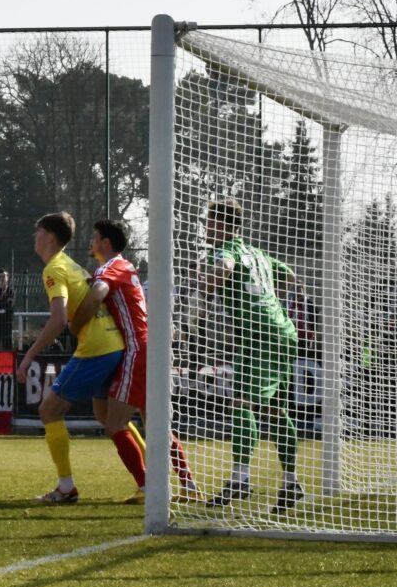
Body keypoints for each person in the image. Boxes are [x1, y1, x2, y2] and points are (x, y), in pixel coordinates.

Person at [69, 220, 202, 504]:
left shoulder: (109, 268)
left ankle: (146, 486)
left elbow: (98, 294)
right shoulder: (127, 266)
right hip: (149, 348)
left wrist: (77, 322)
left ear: (105, 242)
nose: (91, 242)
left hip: (136, 351)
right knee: (154, 424)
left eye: (94, 237)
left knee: (115, 423)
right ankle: (188, 484)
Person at [200, 198, 302, 514]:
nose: (205, 228)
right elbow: (290, 275)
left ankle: (241, 478)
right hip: (285, 331)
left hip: (256, 335)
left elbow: (224, 267)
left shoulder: (225, 250)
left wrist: (204, 291)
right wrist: (269, 303)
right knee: (275, 410)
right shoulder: (257, 253)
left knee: (241, 403)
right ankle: (291, 482)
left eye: (209, 222)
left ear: (221, 225)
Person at [15, 212, 124, 504]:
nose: (34, 237)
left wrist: (28, 356)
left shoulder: (54, 269)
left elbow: (58, 320)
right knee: (111, 420)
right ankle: (146, 481)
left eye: (38, 232)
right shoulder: (72, 265)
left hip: (96, 347)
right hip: (113, 342)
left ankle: (66, 488)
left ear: (50, 237)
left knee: (49, 411)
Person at [0, 268, 15, 351]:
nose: (2, 279)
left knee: (7, 344)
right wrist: (2, 307)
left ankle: (9, 363)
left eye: (3, 277)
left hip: (6, 322)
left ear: (7, 278)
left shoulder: (11, 291)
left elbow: (10, 305)